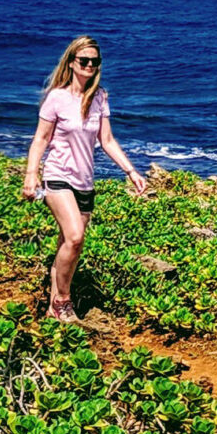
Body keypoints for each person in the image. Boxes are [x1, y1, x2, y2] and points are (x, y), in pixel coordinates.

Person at [20, 35, 148, 321]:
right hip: (58, 177)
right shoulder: (57, 97)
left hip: (85, 182)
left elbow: (107, 140)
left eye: (94, 61)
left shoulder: (99, 97)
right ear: (72, 62)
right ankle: (64, 300)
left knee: (68, 244)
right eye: (84, 60)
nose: (89, 65)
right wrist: (31, 174)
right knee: (76, 237)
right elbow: (40, 138)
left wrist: (131, 171)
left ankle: (53, 306)